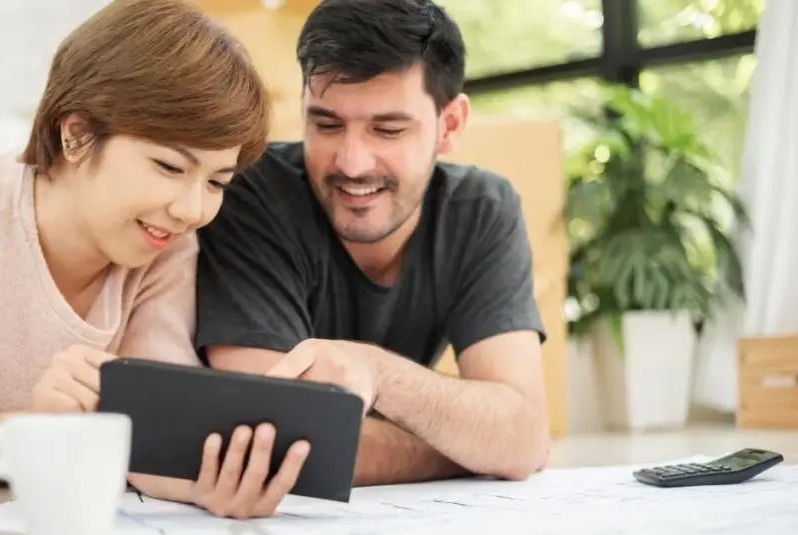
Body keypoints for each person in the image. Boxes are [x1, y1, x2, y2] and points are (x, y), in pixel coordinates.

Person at [0, 0, 308, 519]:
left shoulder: (165, 245)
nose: (193, 209)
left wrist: (205, 485)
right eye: (170, 166)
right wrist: (29, 432)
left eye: (217, 181)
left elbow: (151, 427)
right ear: (77, 134)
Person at [194, 0, 552, 486]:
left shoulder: (481, 208)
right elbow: (271, 434)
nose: (353, 163)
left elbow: (523, 434)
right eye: (326, 124)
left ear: (450, 126)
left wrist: (376, 373)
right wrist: (469, 449)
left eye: (388, 130)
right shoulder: (252, 194)